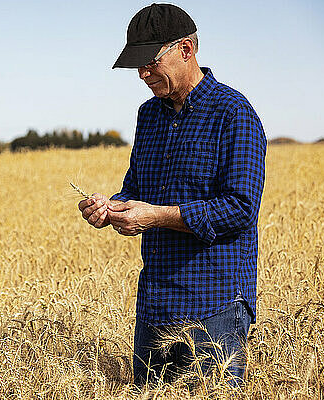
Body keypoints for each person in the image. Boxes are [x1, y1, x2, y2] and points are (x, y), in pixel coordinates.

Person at [77, 3, 266, 388]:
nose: (143, 74)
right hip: (155, 304)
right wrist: (111, 208)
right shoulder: (148, 115)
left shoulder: (234, 113)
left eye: (150, 62)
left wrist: (155, 217)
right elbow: (137, 190)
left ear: (186, 50)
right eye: (137, 66)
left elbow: (240, 208)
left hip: (215, 304)